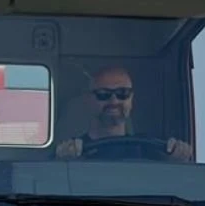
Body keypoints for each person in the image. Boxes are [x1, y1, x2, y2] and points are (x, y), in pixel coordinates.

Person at [53, 65, 192, 162]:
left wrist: (178, 159)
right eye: (103, 94)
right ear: (89, 100)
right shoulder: (71, 154)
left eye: (122, 93)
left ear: (132, 99)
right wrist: (64, 165)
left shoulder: (153, 150)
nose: (114, 100)